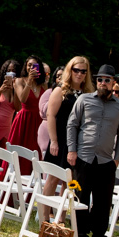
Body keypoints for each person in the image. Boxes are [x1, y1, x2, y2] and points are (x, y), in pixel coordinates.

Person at [67, 63, 119, 237]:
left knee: (103, 202)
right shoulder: (84, 99)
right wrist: (71, 150)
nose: (102, 83)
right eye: (100, 79)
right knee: (81, 198)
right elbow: (72, 124)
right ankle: (80, 235)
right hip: (84, 157)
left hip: (106, 160)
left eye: (106, 80)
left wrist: (117, 159)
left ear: (113, 82)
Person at [40, 56, 93, 222]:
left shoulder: (88, 93)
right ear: (70, 70)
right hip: (60, 140)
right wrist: (54, 141)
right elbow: (50, 115)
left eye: (83, 71)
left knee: (68, 181)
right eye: (76, 70)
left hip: (77, 143)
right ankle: (44, 218)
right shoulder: (60, 90)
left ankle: (60, 219)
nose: (79, 74)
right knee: (53, 178)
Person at [7, 56, 47, 174]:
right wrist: (29, 81)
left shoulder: (43, 85)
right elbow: (22, 99)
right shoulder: (19, 81)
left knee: (35, 152)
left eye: (34, 65)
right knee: (19, 152)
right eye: (29, 65)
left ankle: (32, 182)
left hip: (38, 121)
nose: (31, 68)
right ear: (26, 66)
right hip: (24, 120)